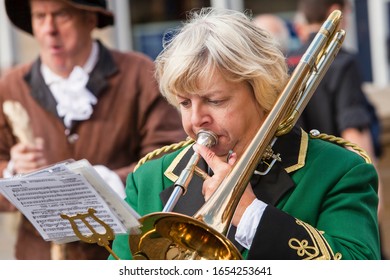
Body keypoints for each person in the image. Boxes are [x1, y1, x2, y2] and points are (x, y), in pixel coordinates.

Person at [109, 7, 380, 260]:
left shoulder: (339, 170)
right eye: (185, 103)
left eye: (214, 101)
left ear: (262, 93)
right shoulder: (148, 178)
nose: (195, 120)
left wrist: (253, 216)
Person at [0, 0, 186, 260]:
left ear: (90, 19)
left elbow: (168, 162)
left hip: (118, 254)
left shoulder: (138, 74)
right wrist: (12, 171)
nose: (48, 29)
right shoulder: (10, 85)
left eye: (61, 15)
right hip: (39, 258)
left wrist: (104, 183)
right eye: (40, 16)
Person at [287, 0, 386, 258]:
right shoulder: (341, 61)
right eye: (349, 12)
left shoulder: (288, 63)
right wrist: (374, 192)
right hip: (340, 186)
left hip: (299, 189)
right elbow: (354, 132)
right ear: (335, 12)